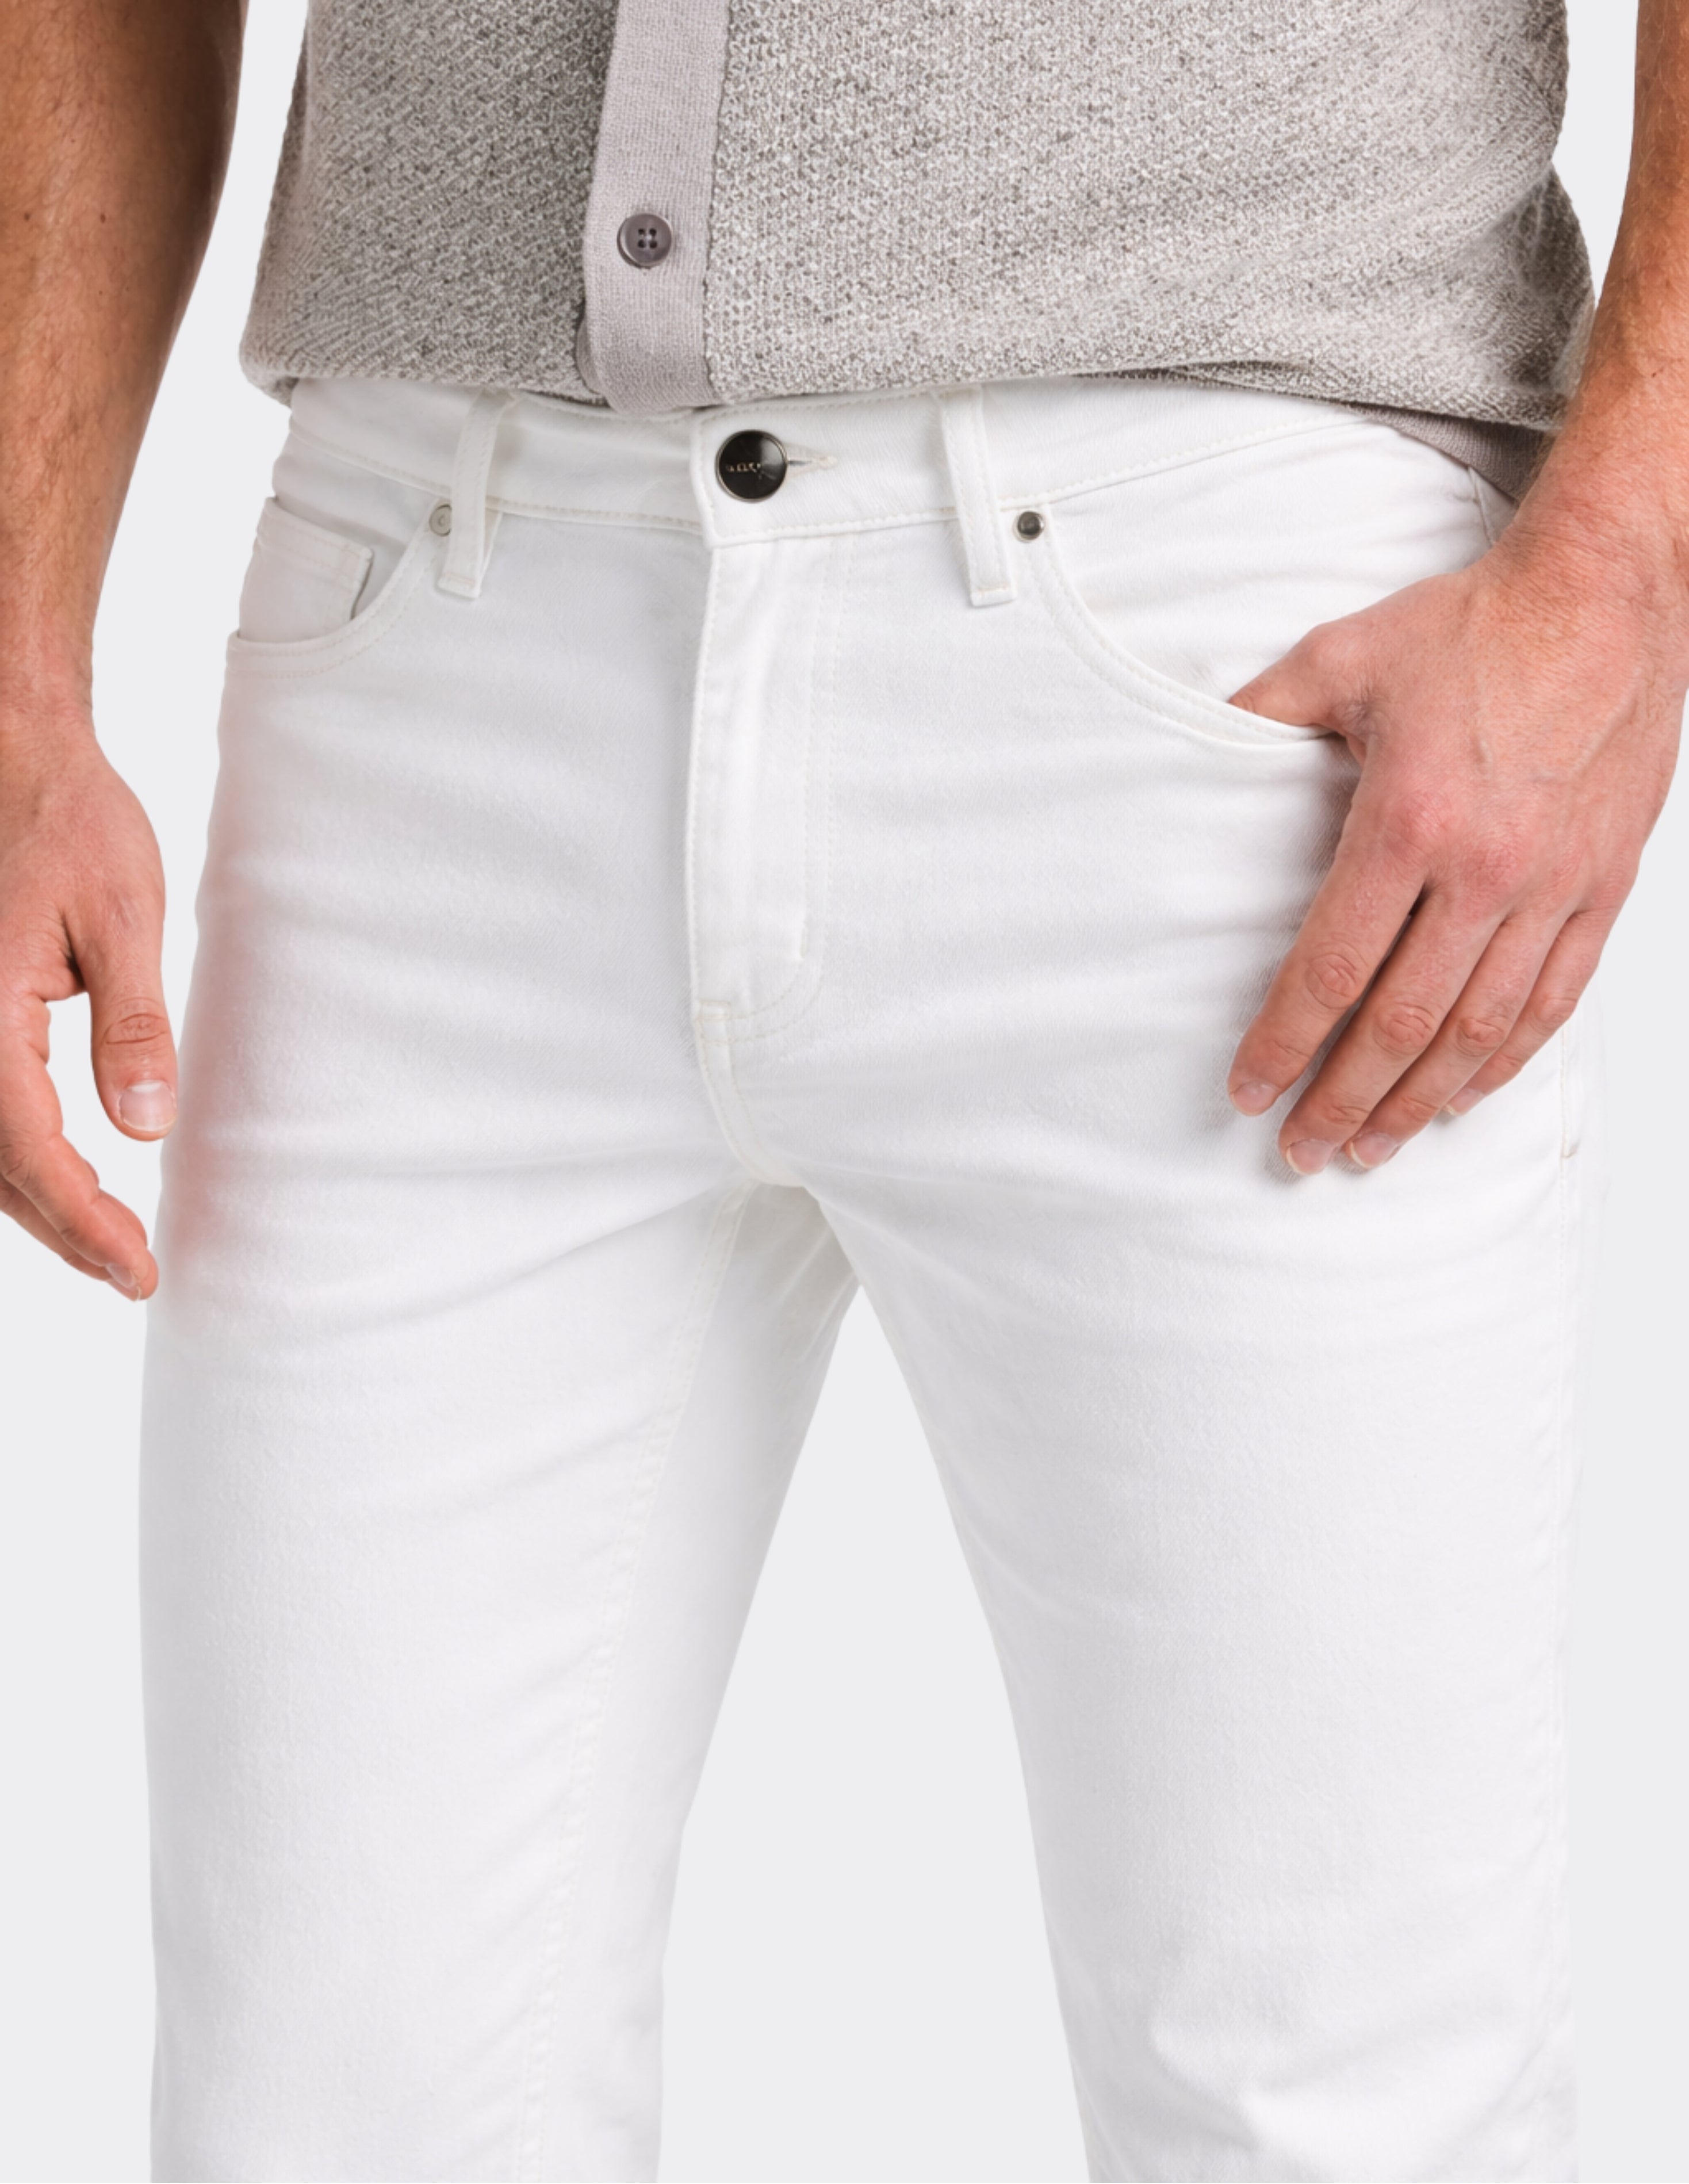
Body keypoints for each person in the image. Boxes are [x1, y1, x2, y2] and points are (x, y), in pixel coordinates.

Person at [2, 0, 1684, 2175]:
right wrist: (17, 668)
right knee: (329, 2102)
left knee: (1327, 2089)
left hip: (1243, 665)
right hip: (422, 644)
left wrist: (1624, 564)